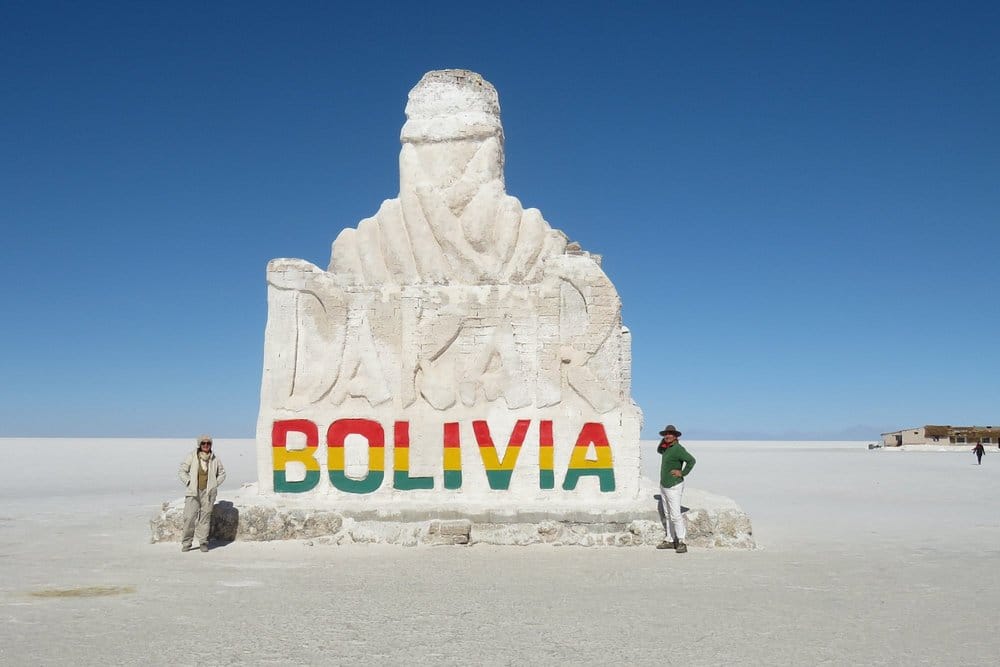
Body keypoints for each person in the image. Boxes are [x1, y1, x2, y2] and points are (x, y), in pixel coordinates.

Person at [178, 435, 226, 552]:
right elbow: (182, 471)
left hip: (208, 493)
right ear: (199, 445)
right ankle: (187, 542)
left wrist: (214, 484)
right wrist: (188, 481)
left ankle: (203, 542)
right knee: (189, 517)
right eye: (203, 443)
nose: (206, 445)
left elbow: (222, 473)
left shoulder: (214, 458)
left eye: (208, 443)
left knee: (204, 518)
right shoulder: (192, 456)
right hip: (193, 491)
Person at [655, 424, 696, 553]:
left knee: (675, 515)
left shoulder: (678, 449)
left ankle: (682, 541)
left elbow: (691, 460)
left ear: (675, 436)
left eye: (670, 434)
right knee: (667, 514)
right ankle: (670, 539)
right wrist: (664, 441)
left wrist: (682, 473)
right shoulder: (667, 448)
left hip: (674, 485)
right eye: (666, 434)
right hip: (664, 484)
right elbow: (658, 450)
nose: (668, 436)